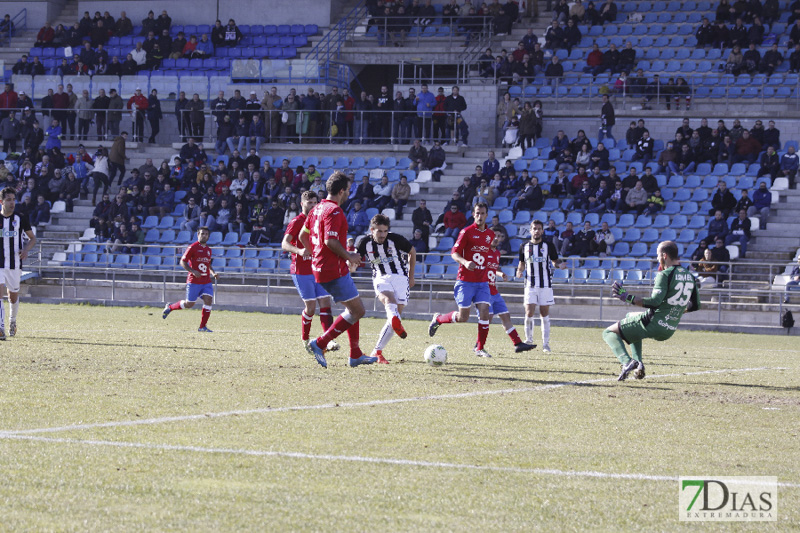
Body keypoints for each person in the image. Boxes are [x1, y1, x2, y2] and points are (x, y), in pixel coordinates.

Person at [300, 171, 377, 368]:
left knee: (352, 308)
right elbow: (330, 241)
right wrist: (349, 255)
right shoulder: (334, 211)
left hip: (322, 267)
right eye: (348, 191)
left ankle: (355, 354)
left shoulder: (316, 209)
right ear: (341, 191)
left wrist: (315, 254)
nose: (349, 195)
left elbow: (303, 236)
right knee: (358, 310)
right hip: (332, 269)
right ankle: (320, 343)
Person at [604, 240, 700, 381]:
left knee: (608, 333)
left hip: (654, 323)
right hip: (670, 328)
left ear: (664, 256)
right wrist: (678, 311)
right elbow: (696, 305)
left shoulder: (665, 274)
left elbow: (655, 302)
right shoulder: (690, 276)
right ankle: (639, 365)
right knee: (630, 316)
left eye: (657, 255)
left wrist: (627, 297)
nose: (657, 259)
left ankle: (626, 362)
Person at [428, 202, 495, 358]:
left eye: (482, 213)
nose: (480, 216)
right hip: (465, 280)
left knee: (485, 312)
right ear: (473, 214)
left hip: (482, 282)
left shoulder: (490, 235)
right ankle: (438, 319)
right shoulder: (466, 232)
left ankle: (480, 348)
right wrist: (465, 262)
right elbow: (454, 253)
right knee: (463, 317)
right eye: (477, 213)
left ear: (487, 215)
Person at [282, 191, 340, 353]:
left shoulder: (318, 220)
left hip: (318, 269)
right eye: (309, 203)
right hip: (301, 271)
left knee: (325, 304)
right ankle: (305, 339)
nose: (313, 206)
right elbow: (284, 244)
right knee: (311, 307)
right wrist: (299, 251)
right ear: (302, 204)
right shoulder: (296, 221)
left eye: (315, 203)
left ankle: (328, 340)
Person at [355, 213, 416, 364]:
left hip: (401, 277)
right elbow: (356, 258)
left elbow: (412, 252)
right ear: (372, 230)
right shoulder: (364, 243)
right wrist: (351, 264)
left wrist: (411, 275)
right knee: (389, 301)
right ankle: (394, 320)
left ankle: (377, 351)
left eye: (385, 231)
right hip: (380, 277)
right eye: (379, 231)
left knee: (396, 312)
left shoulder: (396, 239)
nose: (382, 234)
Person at [517, 219, 567, 353]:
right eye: (534, 228)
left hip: (545, 284)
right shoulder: (524, 246)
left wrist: (559, 265)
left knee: (544, 314)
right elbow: (521, 263)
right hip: (530, 284)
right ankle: (528, 340)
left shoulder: (548, 245)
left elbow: (555, 261)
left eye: (539, 229)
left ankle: (546, 344)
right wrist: (519, 271)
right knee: (529, 312)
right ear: (531, 230)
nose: (537, 231)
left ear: (542, 231)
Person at [484, 234, 535, 353]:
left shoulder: (496, 253)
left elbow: (494, 268)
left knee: (505, 316)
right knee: (488, 318)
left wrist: (500, 274)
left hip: (494, 290)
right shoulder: (483, 252)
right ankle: (478, 345)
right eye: (493, 236)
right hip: (484, 290)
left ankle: (518, 343)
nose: (496, 239)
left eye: (499, 237)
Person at [162, 227, 219, 332]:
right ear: (198, 235)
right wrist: (192, 271)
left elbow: (207, 264)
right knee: (189, 304)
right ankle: (170, 307)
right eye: (202, 233)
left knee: (208, 300)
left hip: (206, 281)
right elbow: (182, 262)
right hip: (193, 281)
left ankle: (202, 327)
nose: (204, 235)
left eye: (206, 234)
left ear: (208, 236)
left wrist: (213, 273)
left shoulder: (209, 250)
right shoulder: (192, 247)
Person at [0, 187, 37, 339]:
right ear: (1, 202)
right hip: (0, 263)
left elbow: (32, 238)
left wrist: (26, 250)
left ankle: (12, 322)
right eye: (8, 199)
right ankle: (0, 328)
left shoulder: (21, 218)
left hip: (15, 264)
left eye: (14, 199)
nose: (12, 202)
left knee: (12, 296)